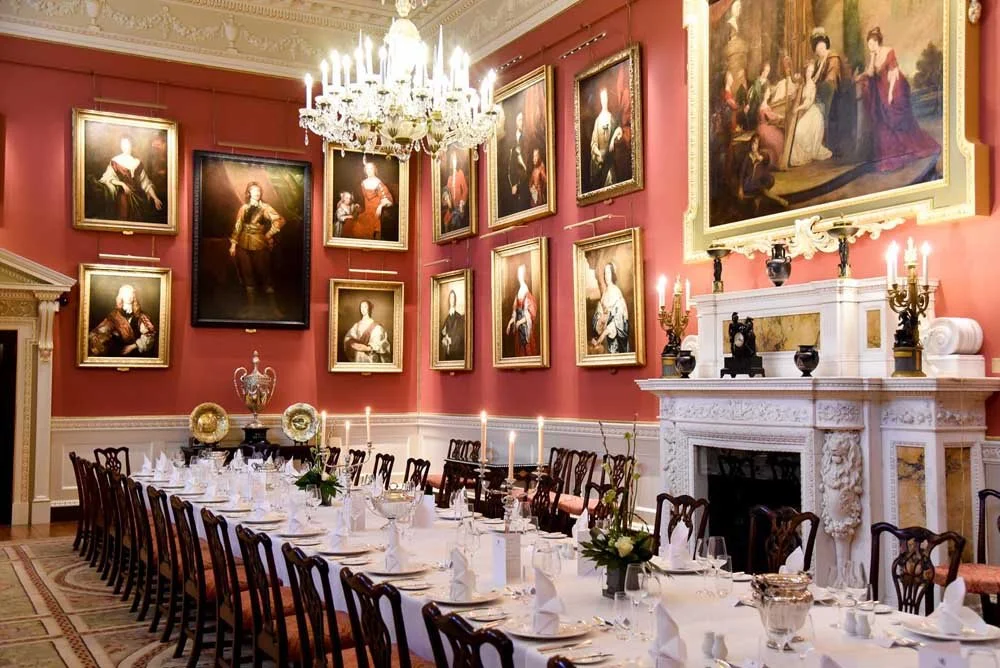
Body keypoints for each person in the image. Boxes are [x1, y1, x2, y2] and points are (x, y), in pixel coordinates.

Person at [856, 26, 940, 172]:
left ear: (877, 42)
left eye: (871, 44)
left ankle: (905, 148)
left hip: (894, 86)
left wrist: (890, 94)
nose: (870, 46)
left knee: (894, 115)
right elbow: (870, 73)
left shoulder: (888, 51)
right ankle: (888, 155)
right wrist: (866, 67)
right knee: (882, 121)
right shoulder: (874, 55)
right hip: (880, 88)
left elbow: (894, 73)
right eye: (868, 44)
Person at [229, 182, 285, 316]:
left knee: (265, 276)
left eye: (259, 191)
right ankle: (251, 308)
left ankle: (273, 308)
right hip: (243, 245)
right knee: (247, 276)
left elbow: (280, 220)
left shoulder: (265, 208)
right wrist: (233, 244)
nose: (257, 193)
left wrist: (269, 234)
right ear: (249, 193)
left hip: (259, 244)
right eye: (254, 191)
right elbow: (238, 226)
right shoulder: (243, 208)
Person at [811, 28, 856, 160]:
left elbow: (831, 77)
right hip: (822, 95)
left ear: (825, 45)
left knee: (833, 120)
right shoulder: (818, 62)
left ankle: (834, 148)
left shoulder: (832, 57)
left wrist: (819, 87)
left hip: (835, 94)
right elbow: (815, 78)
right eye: (817, 45)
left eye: (821, 44)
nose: (819, 48)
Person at [96, 136, 163, 221]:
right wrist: (122, 184)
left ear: (132, 145)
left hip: (137, 196)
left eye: (127, 144)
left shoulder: (137, 162)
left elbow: (145, 182)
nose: (125, 147)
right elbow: (107, 177)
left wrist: (155, 198)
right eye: (123, 144)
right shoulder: (115, 161)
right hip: (123, 195)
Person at [88, 284, 157, 357]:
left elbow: (150, 333)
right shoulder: (114, 315)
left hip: (137, 353)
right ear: (121, 296)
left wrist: (133, 346)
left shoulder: (141, 315)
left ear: (134, 296)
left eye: (131, 293)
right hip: (118, 353)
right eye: (126, 294)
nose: (129, 296)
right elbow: (101, 330)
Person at [789, 63, 833, 167]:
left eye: (811, 71)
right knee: (796, 131)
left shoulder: (812, 85)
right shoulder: (803, 85)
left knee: (798, 131)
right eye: (808, 71)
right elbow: (797, 97)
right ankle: (799, 155)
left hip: (813, 114)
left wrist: (798, 108)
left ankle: (804, 155)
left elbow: (808, 103)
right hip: (805, 112)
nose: (809, 73)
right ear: (805, 71)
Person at [590, 262, 630, 354]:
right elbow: (600, 312)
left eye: (608, 273)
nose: (606, 276)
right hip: (604, 338)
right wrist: (600, 318)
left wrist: (603, 335)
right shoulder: (605, 293)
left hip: (613, 339)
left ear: (612, 274)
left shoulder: (616, 291)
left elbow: (619, 318)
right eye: (605, 273)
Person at [739, 133, 788, 208]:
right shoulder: (747, 157)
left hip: (759, 181)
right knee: (762, 189)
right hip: (749, 183)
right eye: (752, 143)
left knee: (765, 184)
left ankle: (758, 200)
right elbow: (742, 173)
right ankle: (779, 200)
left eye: (755, 143)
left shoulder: (762, 155)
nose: (753, 146)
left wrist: (780, 169)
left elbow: (769, 165)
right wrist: (740, 189)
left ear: (759, 145)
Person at [349, 160, 393, 240]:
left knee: (370, 227)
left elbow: (387, 198)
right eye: (367, 169)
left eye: (371, 169)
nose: (369, 171)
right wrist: (358, 204)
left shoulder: (378, 183)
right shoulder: (363, 183)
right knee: (353, 225)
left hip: (376, 212)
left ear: (374, 170)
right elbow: (361, 199)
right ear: (365, 171)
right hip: (366, 211)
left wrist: (380, 206)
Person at [589, 87, 624, 189]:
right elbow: (593, 143)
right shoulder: (598, 121)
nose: (604, 100)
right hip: (601, 160)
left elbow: (618, 130)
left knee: (611, 182)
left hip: (609, 158)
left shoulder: (611, 118)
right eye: (602, 98)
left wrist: (613, 139)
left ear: (607, 99)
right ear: (600, 100)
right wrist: (598, 154)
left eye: (605, 98)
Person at [343, 299, 391, 364]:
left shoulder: (376, 327)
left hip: (370, 358)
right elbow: (348, 337)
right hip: (358, 357)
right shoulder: (356, 325)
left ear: (369, 308)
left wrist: (368, 348)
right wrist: (353, 344)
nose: (362, 309)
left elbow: (382, 342)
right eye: (361, 307)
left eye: (365, 306)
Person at [505, 264, 538, 357]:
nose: (518, 275)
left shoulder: (525, 291)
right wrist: (509, 323)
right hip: (519, 330)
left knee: (527, 350)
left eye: (520, 273)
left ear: (524, 274)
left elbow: (531, 315)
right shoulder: (519, 291)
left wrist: (519, 322)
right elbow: (515, 312)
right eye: (518, 273)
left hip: (525, 329)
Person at [505, 111, 530, 211]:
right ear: (516, 122)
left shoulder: (528, 138)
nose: (522, 122)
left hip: (526, 180)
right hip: (514, 183)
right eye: (520, 120)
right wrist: (514, 184)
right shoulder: (511, 141)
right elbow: (509, 166)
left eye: (523, 120)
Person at [439, 290, 465, 361]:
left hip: (457, 355)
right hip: (448, 355)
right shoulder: (447, 318)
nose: (452, 300)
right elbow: (442, 334)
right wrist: (443, 339)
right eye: (451, 298)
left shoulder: (459, 317)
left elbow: (461, 336)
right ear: (449, 300)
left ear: (455, 300)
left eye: (453, 298)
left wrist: (451, 340)